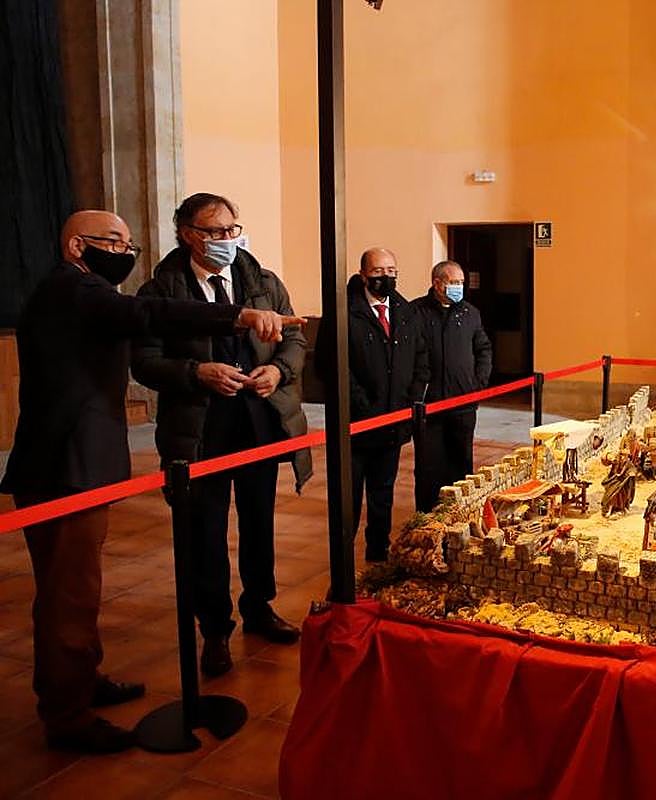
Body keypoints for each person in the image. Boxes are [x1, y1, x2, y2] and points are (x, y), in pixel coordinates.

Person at [0, 210, 296, 754]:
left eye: (128, 242)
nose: (125, 251)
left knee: (78, 590)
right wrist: (239, 317)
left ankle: (82, 679)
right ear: (76, 246)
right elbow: (149, 314)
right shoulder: (74, 288)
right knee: (69, 595)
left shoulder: (80, 291)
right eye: (114, 242)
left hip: (83, 461)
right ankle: (67, 715)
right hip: (65, 465)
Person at [131, 193, 311, 679]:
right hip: (200, 428)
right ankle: (214, 628)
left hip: (257, 420)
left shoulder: (262, 281)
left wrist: (278, 370)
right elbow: (144, 361)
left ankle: (259, 606)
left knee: (259, 521)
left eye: (232, 230)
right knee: (204, 532)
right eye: (214, 232)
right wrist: (196, 372)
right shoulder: (162, 290)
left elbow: (295, 338)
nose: (227, 240)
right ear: (188, 234)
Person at [316, 247, 429, 562]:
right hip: (356, 425)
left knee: (383, 494)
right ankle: (342, 564)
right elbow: (329, 365)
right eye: (379, 271)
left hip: (393, 423)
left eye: (391, 271)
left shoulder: (406, 312)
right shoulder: (342, 312)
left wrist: (410, 400)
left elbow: (421, 359)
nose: (386, 277)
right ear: (363, 274)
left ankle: (378, 553)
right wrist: (362, 405)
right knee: (348, 498)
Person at [411, 260, 492, 512]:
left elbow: (483, 349)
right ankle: (427, 518)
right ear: (437, 283)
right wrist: (416, 393)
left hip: (463, 404)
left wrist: (477, 384)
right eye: (454, 282)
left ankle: (459, 514)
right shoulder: (415, 313)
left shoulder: (470, 313)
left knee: (461, 464)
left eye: (461, 282)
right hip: (430, 406)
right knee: (429, 466)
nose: (459, 287)